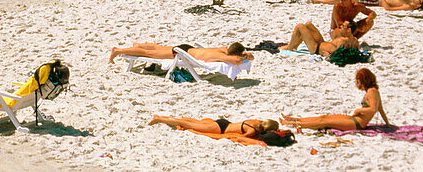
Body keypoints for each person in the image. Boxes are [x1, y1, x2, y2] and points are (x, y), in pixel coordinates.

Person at [281, 68, 389, 132]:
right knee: (323, 117)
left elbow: (374, 109)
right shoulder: (372, 91)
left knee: (325, 122)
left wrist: (359, 111)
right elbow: (380, 108)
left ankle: (290, 124)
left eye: (358, 81)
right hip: (355, 119)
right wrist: (387, 124)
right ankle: (295, 120)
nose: (357, 83)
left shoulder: (372, 91)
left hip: (358, 123)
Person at [147, 114, 281, 141]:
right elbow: (240, 138)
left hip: (223, 122)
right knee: (187, 125)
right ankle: (159, 119)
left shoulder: (255, 121)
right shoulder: (253, 130)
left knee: (192, 122)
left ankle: (161, 117)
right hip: (220, 130)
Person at [110, 42, 252, 65]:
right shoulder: (223, 56)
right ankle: (119, 51)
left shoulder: (222, 49)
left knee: (158, 48)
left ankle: (138, 45)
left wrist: (244, 53)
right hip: (181, 53)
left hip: (186, 48)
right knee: (149, 54)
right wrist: (245, 56)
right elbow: (237, 61)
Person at [283, 20, 359, 59]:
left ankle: (289, 47)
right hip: (321, 43)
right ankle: (295, 45)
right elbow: (355, 54)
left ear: (349, 30)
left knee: (300, 26)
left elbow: (339, 56)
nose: (340, 27)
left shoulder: (342, 40)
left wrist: (328, 56)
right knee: (308, 24)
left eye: (343, 26)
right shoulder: (355, 40)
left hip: (315, 48)